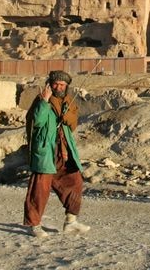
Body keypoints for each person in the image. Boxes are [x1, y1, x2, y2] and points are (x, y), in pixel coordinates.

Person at [23, 70, 90, 237]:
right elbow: (37, 121)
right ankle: (34, 225)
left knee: (74, 181)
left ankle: (71, 221)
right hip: (46, 150)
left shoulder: (68, 101)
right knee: (40, 188)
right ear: (50, 84)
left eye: (62, 85)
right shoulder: (41, 100)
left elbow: (72, 125)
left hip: (63, 151)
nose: (58, 87)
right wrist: (45, 102)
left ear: (66, 87)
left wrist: (67, 116)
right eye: (55, 84)